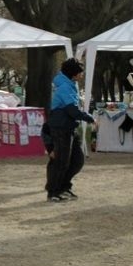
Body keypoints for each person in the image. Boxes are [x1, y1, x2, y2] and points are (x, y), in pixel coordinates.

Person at [46, 58, 95, 202]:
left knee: (77, 160)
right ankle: (53, 191)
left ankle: (64, 186)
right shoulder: (64, 88)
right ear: (74, 74)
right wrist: (90, 118)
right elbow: (72, 111)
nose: (81, 75)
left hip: (69, 127)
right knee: (61, 162)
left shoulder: (69, 84)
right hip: (61, 128)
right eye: (80, 73)